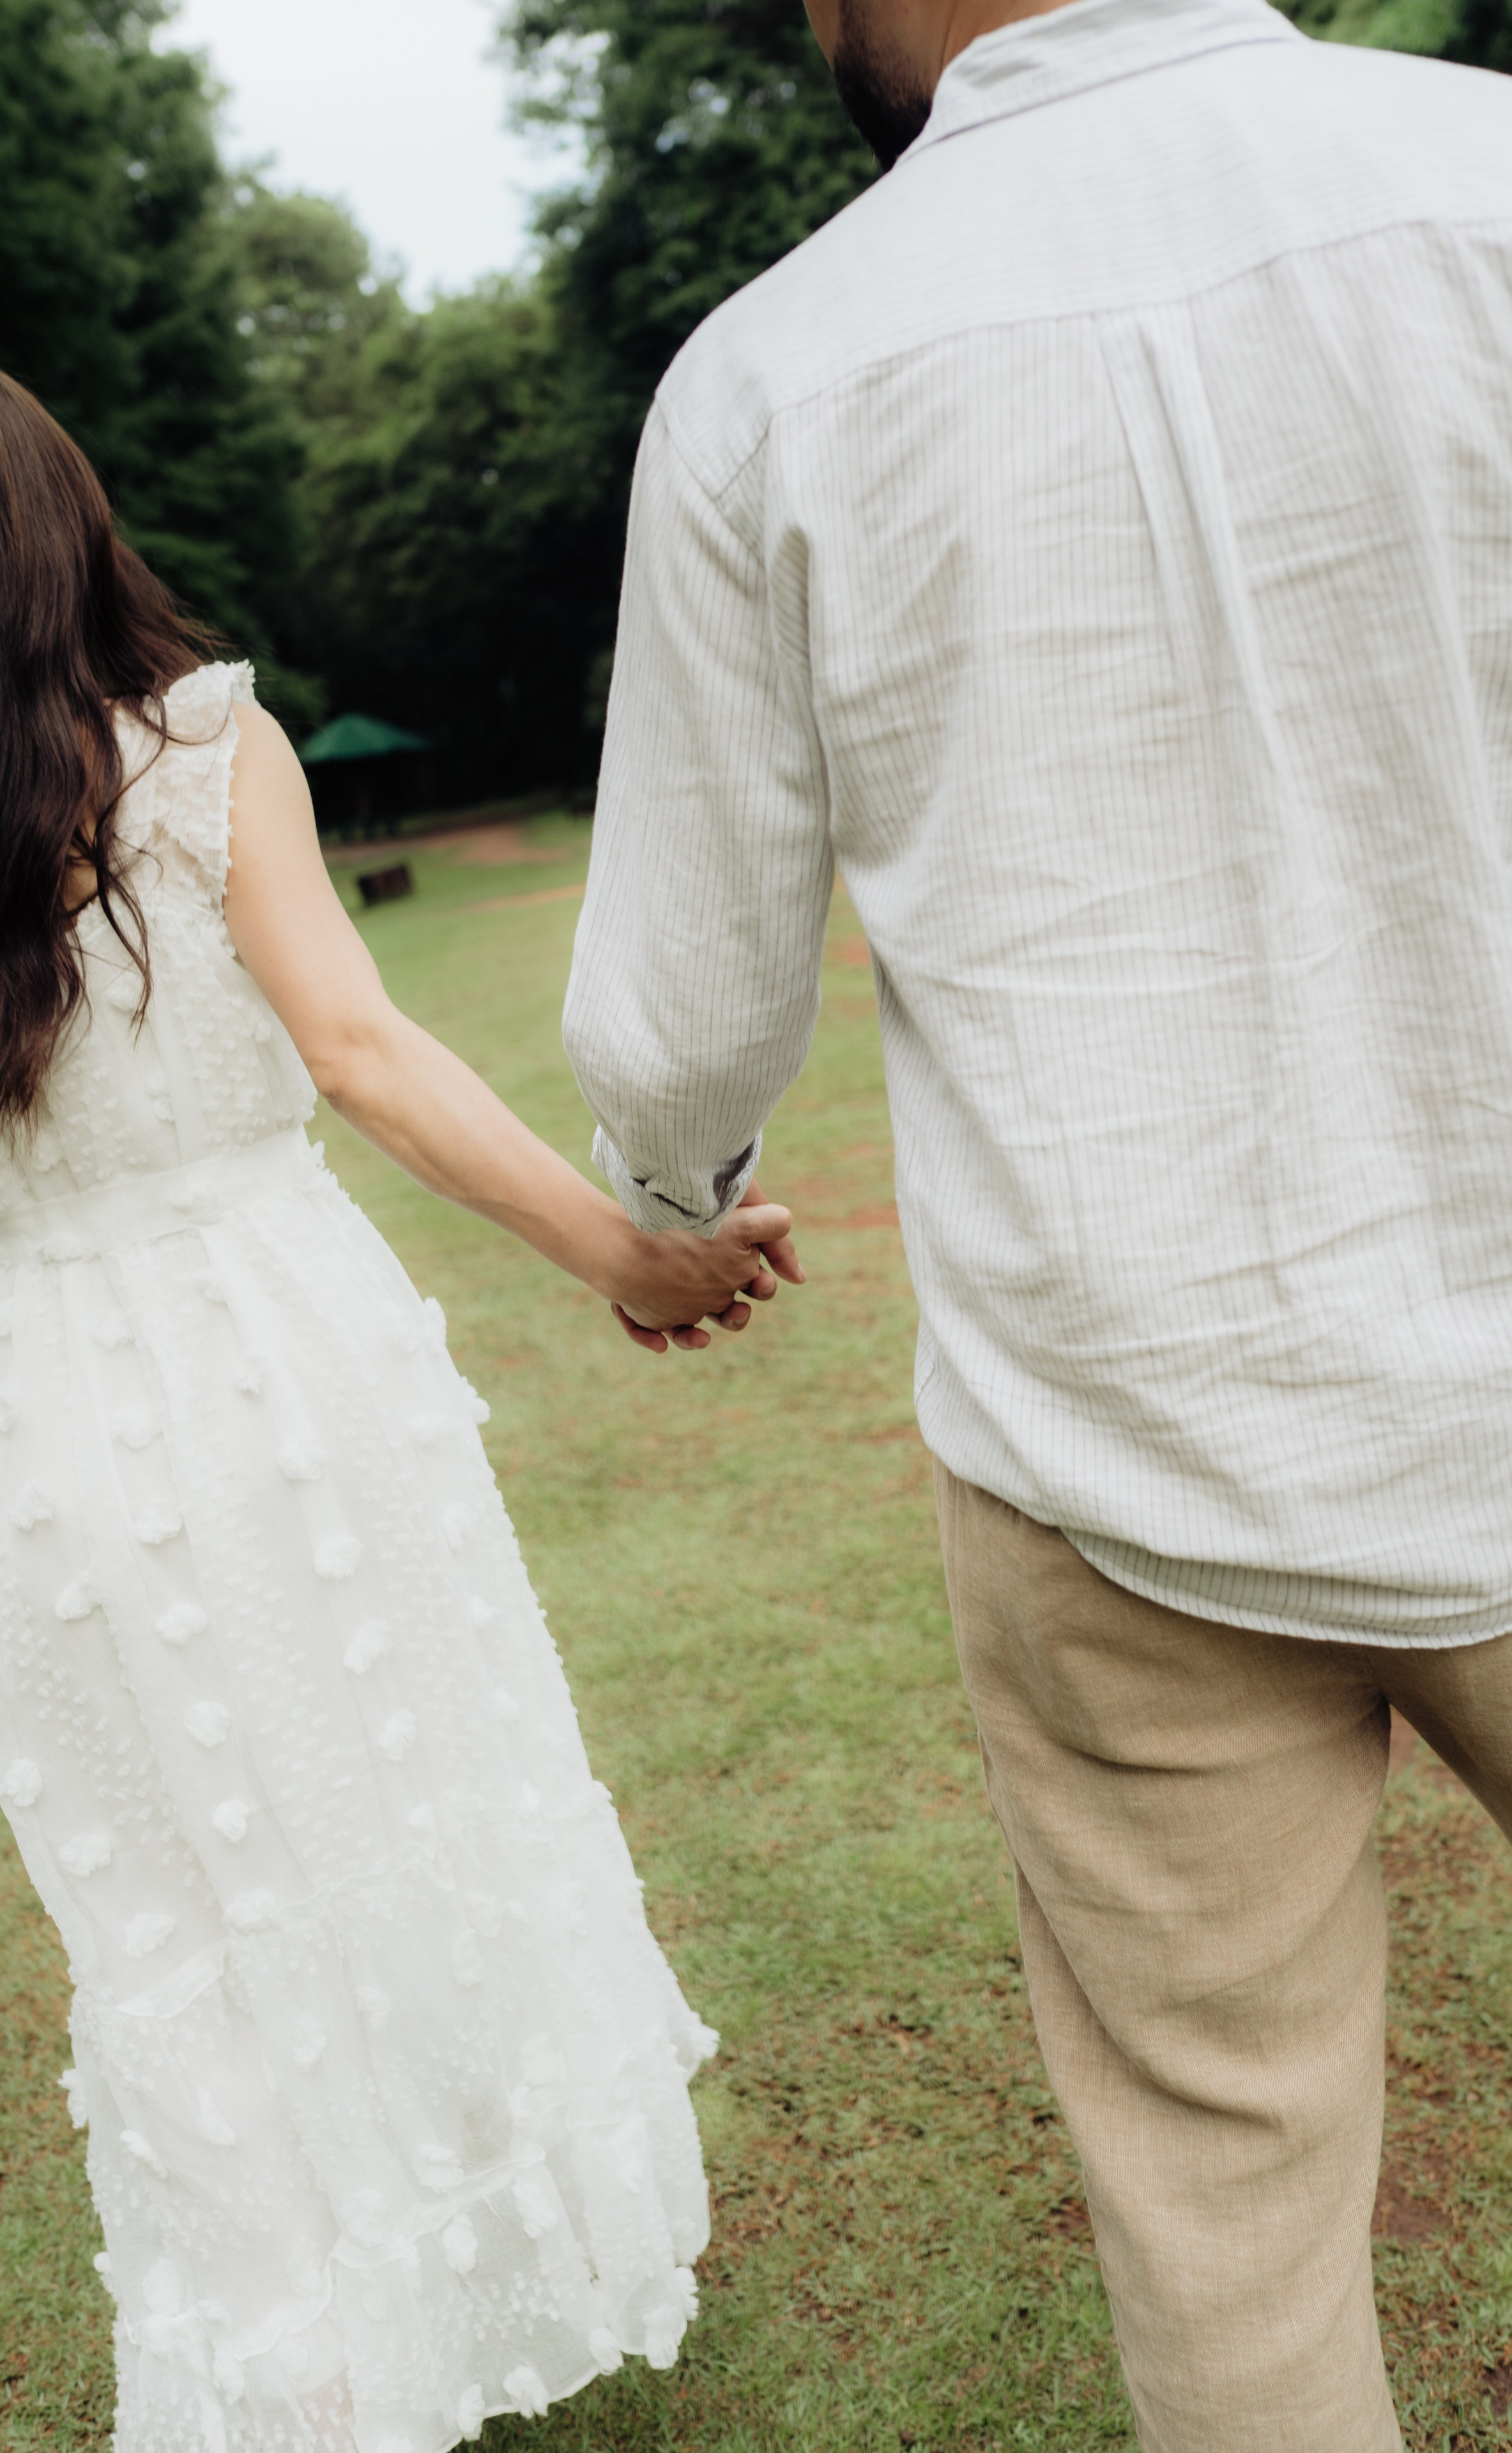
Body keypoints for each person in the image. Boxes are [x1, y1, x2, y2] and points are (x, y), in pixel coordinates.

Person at [561, 0, 1512, 2443]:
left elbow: (677, 1015)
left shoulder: (776, 377)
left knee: (1232, 2233)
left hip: (1114, 1439)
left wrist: (678, 1196)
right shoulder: (1481, 175)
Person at [0, 349, 803, 2453]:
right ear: (60, 523)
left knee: (177, 1908)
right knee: (405, 1799)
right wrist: (625, 1256)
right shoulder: (204, 752)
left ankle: (296, 2356)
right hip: (287, 1365)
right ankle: (492, 2262)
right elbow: (366, 1053)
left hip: (48, 1432)